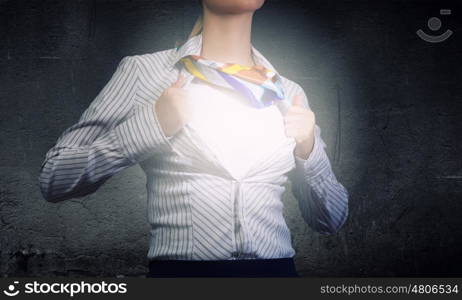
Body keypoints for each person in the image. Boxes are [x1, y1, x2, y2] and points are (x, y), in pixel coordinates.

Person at [38, 0, 349, 277]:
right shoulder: (144, 73)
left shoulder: (288, 93)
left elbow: (331, 220)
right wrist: (152, 124)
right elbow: (54, 179)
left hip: (276, 274)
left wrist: (309, 150)